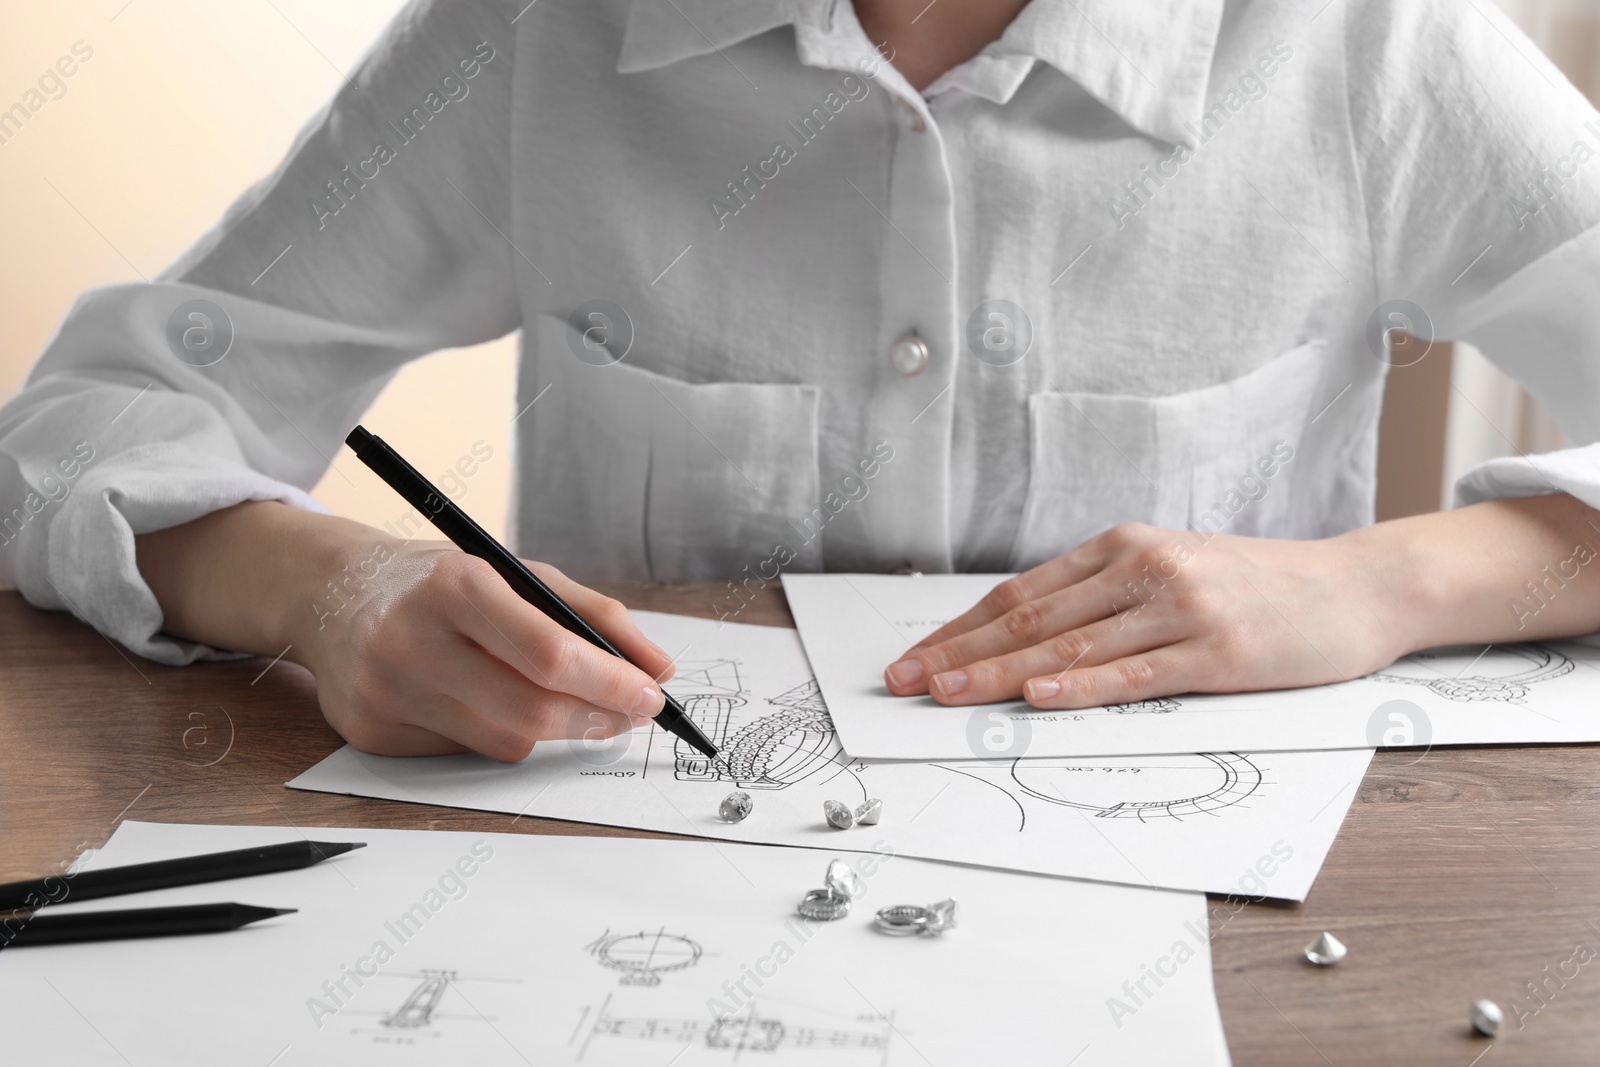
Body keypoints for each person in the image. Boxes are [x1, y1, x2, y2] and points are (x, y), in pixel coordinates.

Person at [3, 0, 1599, 760]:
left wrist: (1380, 584)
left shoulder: (1376, 47)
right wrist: (328, 587)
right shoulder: (531, 39)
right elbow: (73, 435)